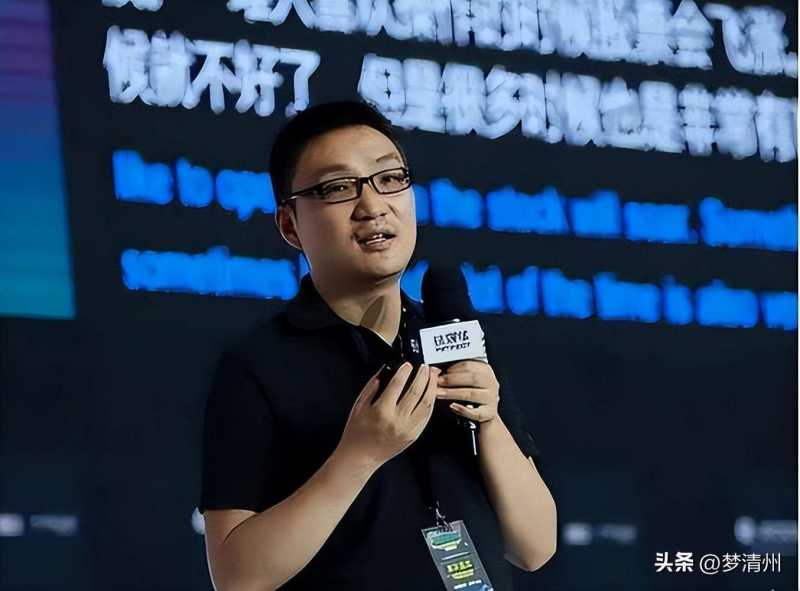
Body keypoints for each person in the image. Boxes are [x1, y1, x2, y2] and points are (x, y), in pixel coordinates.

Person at [198, 100, 557, 591]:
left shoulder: (455, 337)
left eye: (390, 179)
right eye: (337, 188)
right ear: (289, 225)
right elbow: (236, 577)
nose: (372, 206)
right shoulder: (258, 364)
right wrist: (360, 455)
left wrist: (489, 421)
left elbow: (535, 546)